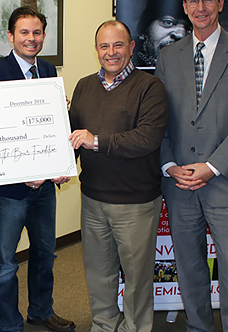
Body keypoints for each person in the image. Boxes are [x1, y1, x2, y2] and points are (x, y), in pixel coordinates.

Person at [155, 0, 228, 332]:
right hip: (180, 183)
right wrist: (171, 165)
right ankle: (198, 327)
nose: (200, 7)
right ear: (184, 7)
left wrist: (212, 166)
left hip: (225, 181)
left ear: (220, 3)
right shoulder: (168, 57)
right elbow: (160, 120)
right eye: (193, 0)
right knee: (188, 266)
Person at [69, 20, 169, 332]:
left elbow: (146, 139)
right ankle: (103, 325)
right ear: (96, 50)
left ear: (131, 48)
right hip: (93, 199)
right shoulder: (84, 86)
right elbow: (71, 136)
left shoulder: (150, 88)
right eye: (104, 46)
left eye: (118, 45)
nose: (111, 52)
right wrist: (58, 166)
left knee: (137, 277)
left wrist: (95, 140)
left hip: (135, 203)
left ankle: (136, 328)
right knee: (99, 272)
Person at [0, 6, 74, 332]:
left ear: (44, 36)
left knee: (45, 254)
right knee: (6, 263)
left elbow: (54, 128)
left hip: (45, 187)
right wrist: (21, 174)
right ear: (10, 36)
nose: (31, 39)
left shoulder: (49, 71)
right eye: (24, 32)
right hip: (11, 191)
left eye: (36, 33)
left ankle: (41, 311)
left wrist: (62, 163)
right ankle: (9, 324)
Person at [132, 0, 190, 69]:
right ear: (143, 31)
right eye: (168, 22)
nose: (181, 35)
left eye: (189, 29)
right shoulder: (127, 66)